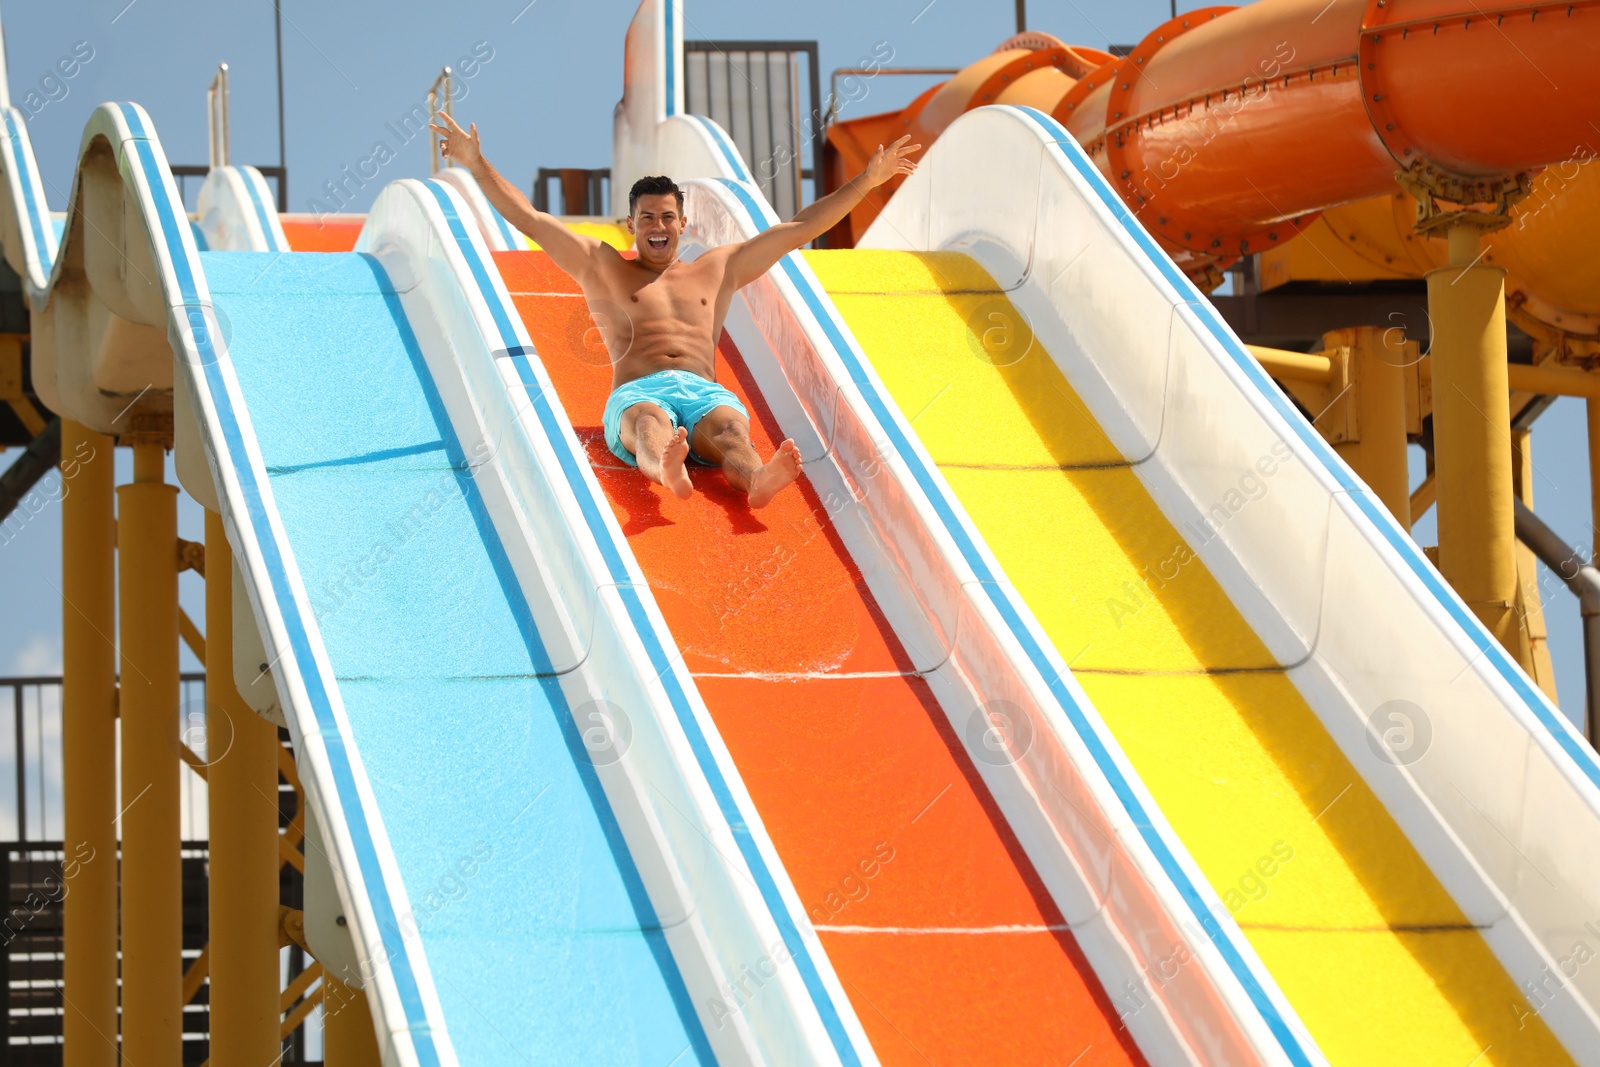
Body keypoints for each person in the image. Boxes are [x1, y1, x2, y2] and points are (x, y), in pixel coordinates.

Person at [430, 110, 917, 507]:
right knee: (648, 424)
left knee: (731, 431)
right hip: (638, 390)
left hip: (704, 390)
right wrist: (478, 163)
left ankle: (756, 481)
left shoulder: (717, 268)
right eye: (647, 218)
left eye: (667, 216)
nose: (657, 225)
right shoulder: (603, 266)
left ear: (683, 222)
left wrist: (867, 182)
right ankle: (665, 469)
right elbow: (530, 218)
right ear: (631, 224)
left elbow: (796, 230)